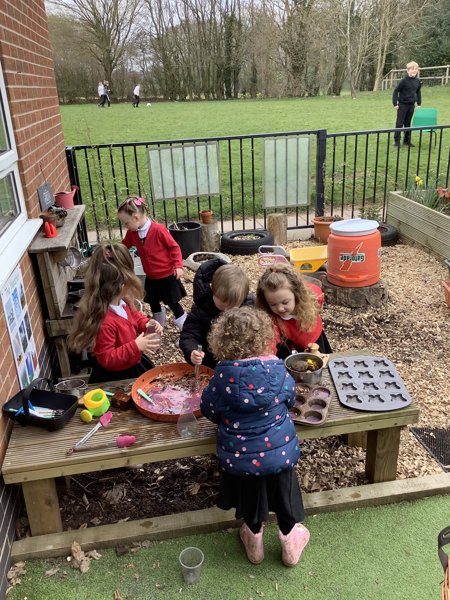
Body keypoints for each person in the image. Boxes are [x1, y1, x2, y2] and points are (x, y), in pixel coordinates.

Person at [201, 306, 310, 567]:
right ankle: (290, 543)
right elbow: (291, 399)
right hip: (279, 451)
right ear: (264, 339)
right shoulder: (278, 371)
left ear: (222, 342)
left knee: (250, 494)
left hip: (240, 456)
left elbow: (209, 409)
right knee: (284, 496)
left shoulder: (221, 377)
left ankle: (254, 543)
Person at [68, 244, 162, 383]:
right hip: (117, 377)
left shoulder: (123, 301)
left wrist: (146, 323)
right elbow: (107, 358)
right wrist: (135, 346)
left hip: (134, 363)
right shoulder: (104, 321)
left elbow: (135, 316)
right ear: (120, 286)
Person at [117, 196, 187, 332]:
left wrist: (178, 265)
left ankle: (186, 330)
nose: (125, 226)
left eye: (126, 223)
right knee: (154, 303)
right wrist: (112, 251)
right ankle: (157, 328)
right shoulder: (133, 233)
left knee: (173, 304)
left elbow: (174, 247)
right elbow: (124, 245)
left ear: (136, 217)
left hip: (166, 276)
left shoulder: (158, 230)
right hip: (151, 276)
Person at [179, 258, 251, 369]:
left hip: (240, 364)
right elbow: (189, 335)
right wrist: (192, 351)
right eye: (223, 303)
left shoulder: (248, 308)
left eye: (233, 306)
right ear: (212, 288)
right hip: (210, 363)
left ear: (243, 298)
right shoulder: (201, 309)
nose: (227, 310)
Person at [256, 263, 332, 359]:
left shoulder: (313, 298)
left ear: (297, 294)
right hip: (291, 347)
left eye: (285, 302)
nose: (280, 308)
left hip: (315, 338)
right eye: (273, 304)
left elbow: (318, 296)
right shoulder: (272, 320)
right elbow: (270, 344)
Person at [392, 61, 421, 147]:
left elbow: (418, 92)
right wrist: (395, 103)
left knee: (408, 124)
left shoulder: (417, 81)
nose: (414, 70)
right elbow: (395, 91)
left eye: (416, 69)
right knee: (399, 123)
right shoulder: (403, 81)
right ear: (408, 70)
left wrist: (419, 103)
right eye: (412, 69)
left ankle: (407, 141)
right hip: (402, 105)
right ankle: (397, 141)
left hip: (411, 105)